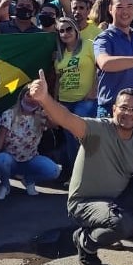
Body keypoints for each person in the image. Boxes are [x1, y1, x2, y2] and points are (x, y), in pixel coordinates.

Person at [27, 75, 133, 265]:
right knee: (123, 224)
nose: (128, 113)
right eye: (123, 107)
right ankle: (85, 241)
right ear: (113, 109)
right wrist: (45, 98)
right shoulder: (96, 129)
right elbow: (66, 118)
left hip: (117, 200)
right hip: (85, 203)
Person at [0, 88, 63, 199]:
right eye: (28, 95)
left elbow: (56, 124)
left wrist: (47, 110)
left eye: (35, 97)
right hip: (10, 160)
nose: (31, 99)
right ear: (22, 96)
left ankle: (28, 180)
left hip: (30, 159)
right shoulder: (9, 114)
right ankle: (5, 185)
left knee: (54, 171)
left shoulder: (40, 117)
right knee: (1, 159)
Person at [54, 17, 98, 170]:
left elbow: (100, 68)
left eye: (68, 29)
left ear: (76, 30)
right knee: (70, 139)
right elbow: (58, 79)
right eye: (61, 31)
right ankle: (75, 173)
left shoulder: (89, 45)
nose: (66, 33)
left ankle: (89, 172)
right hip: (65, 101)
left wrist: (94, 90)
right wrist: (55, 102)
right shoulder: (59, 54)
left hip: (85, 100)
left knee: (81, 137)